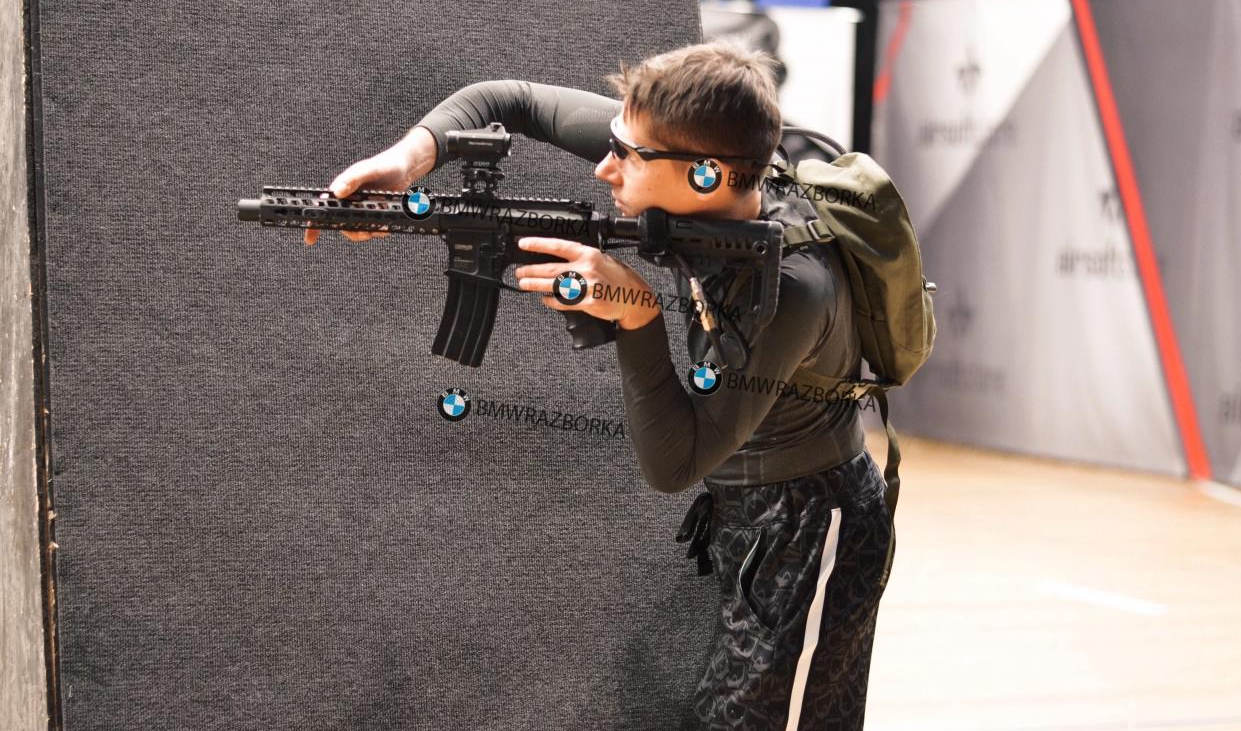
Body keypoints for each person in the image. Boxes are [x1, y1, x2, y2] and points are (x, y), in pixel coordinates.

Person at [304, 42, 895, 730]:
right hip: (746, 510)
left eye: (627, 156)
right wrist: (407, 162)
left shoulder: (795, 287)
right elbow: (510, 99)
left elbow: (676, 462)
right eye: (615, 142)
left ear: (707, 175)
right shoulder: (678, 147)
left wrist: (637, 316)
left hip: (813, 527)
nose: (604, 166)